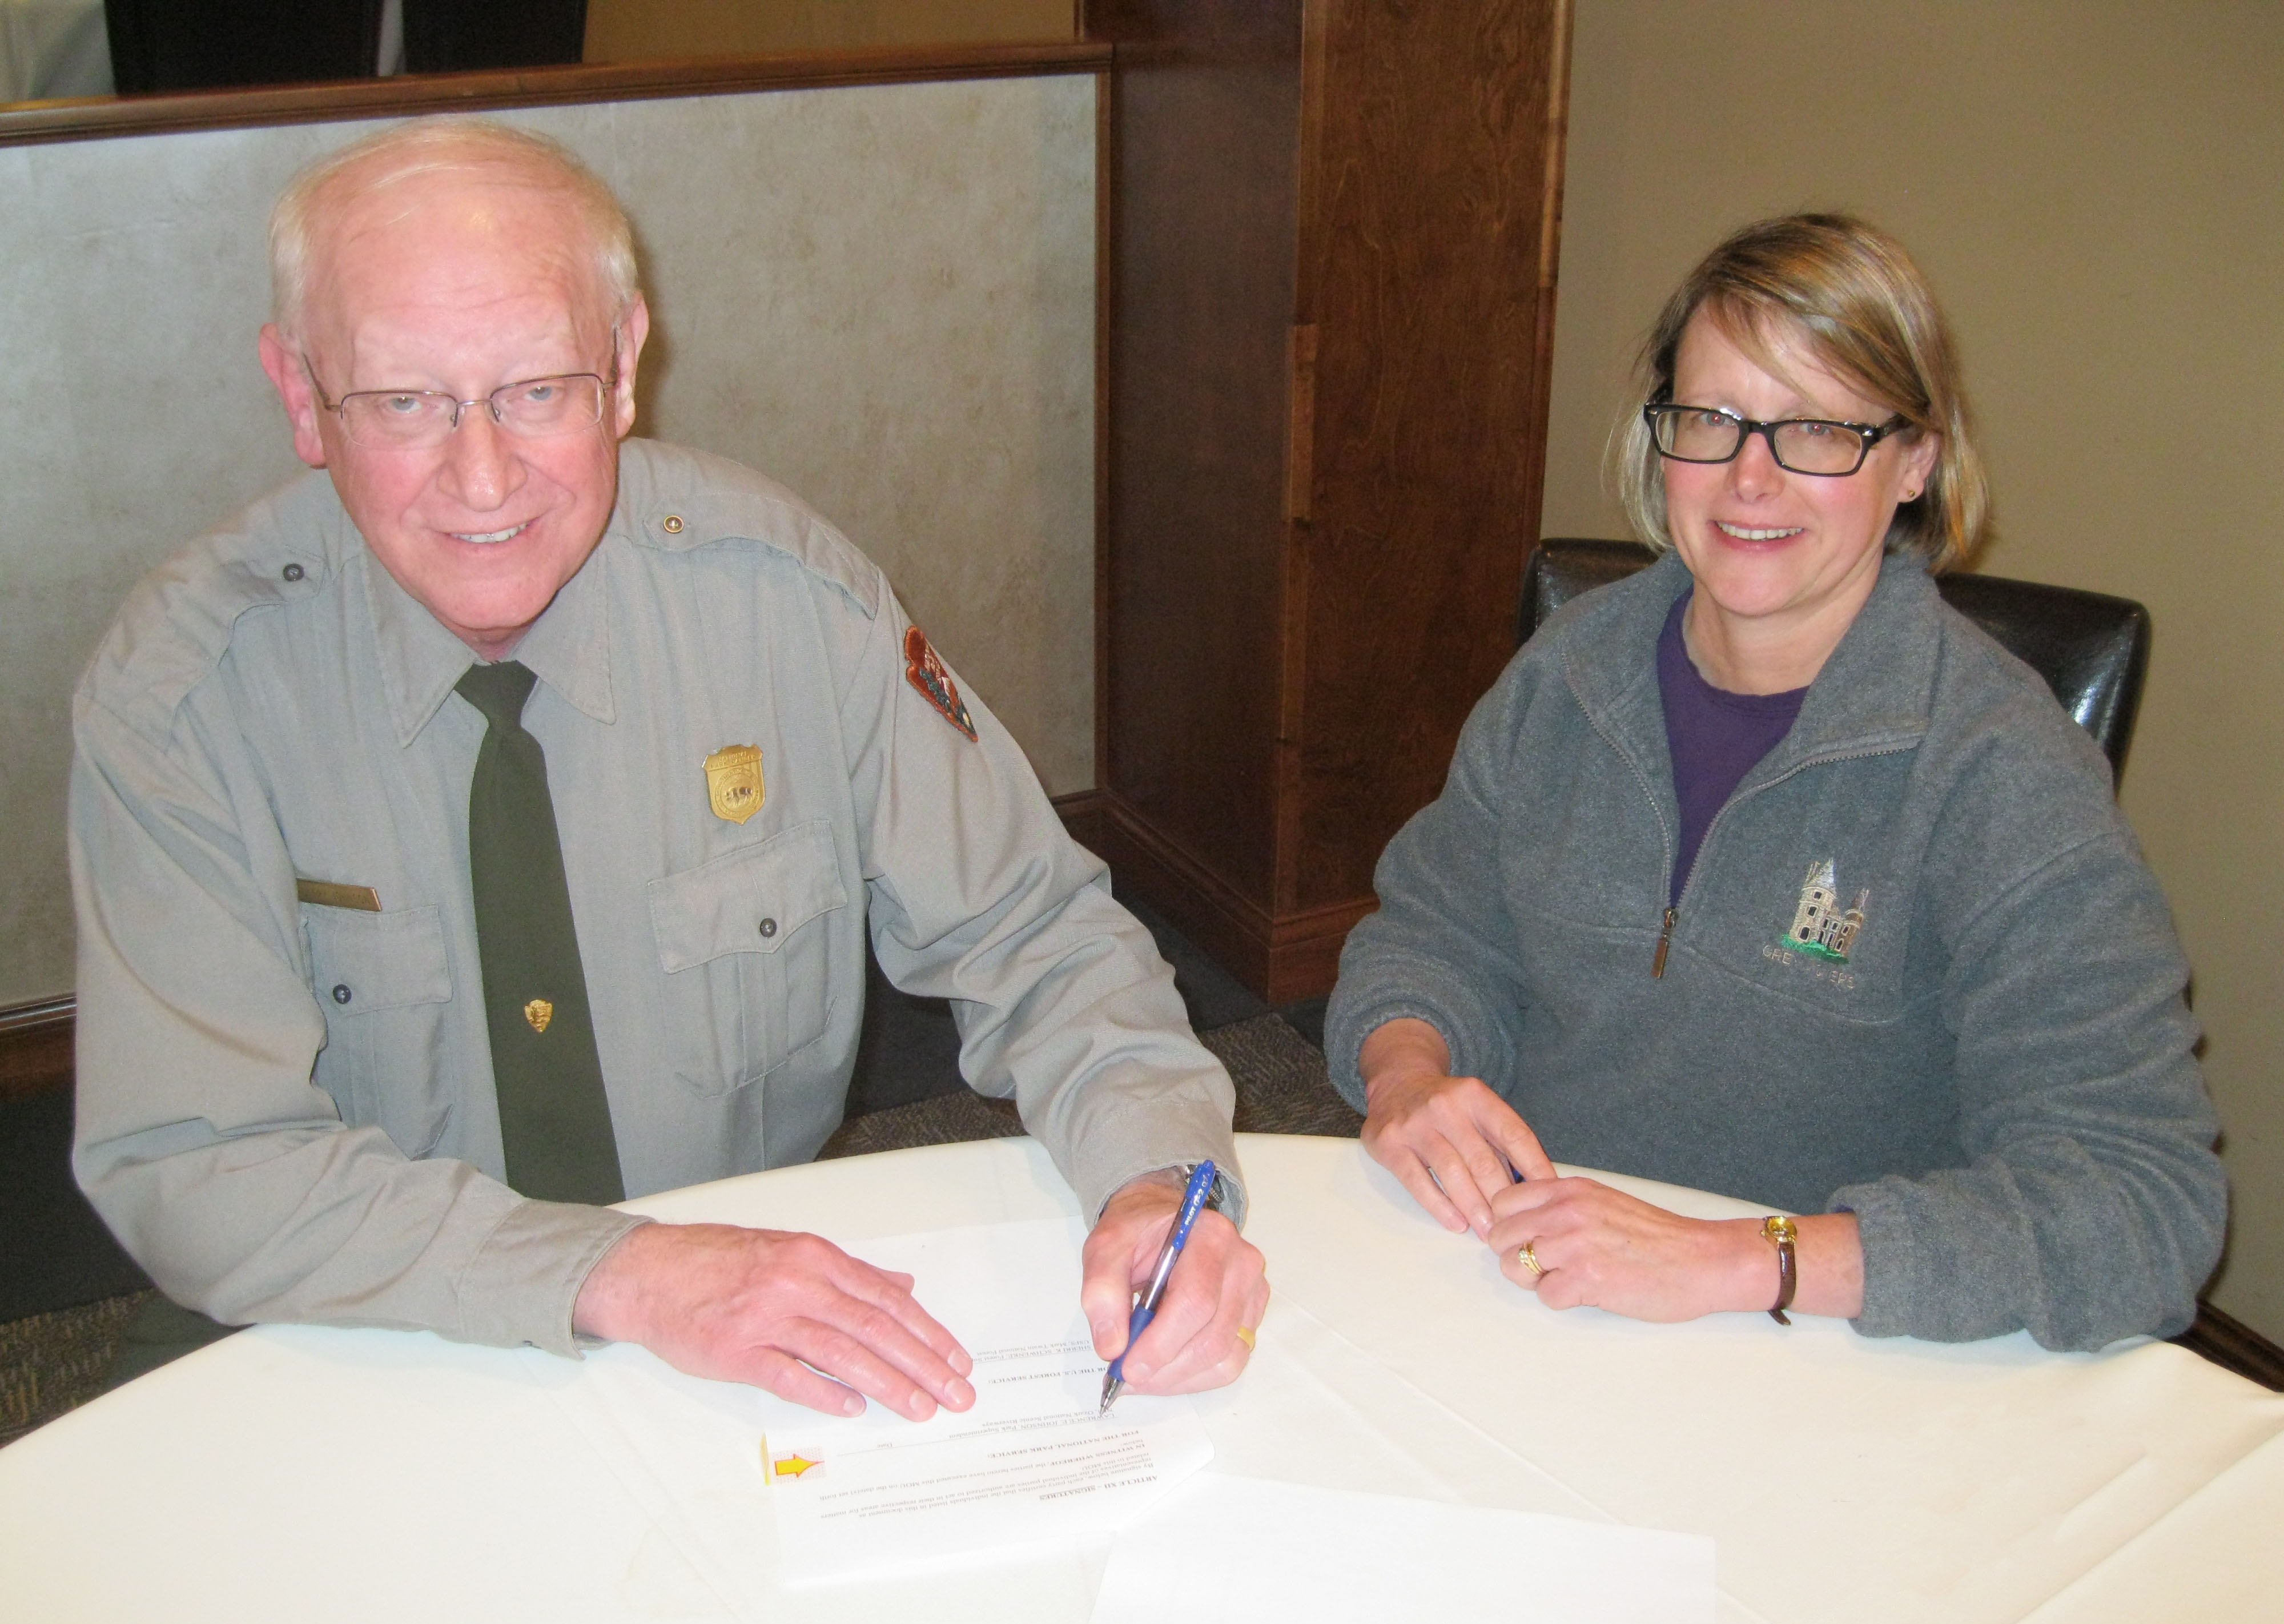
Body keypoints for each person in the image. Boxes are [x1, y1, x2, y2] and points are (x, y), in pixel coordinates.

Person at [70, 117, 1267, 1418]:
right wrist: (622, 1273)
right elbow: (198, 1167)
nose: (483, 477)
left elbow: (1037, 937)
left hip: (734, 1359)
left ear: (625, 365)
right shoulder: (184, 692)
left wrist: (1155, 1179)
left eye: (537, 389)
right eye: (403, 402)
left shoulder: (785, 601)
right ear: (301, 395)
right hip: (356, 1327)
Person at [1324, 213, 2224, 1351]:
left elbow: (2141, 1206)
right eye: (1709, 422)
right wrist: (1407, 1073)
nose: (1749, 478)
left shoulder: (2001, 773)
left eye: (1815, 431)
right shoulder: (1569, 675)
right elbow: (1438, 932)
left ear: (1913, 460)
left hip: (1821, 1342)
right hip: (1528, 1276)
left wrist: (1738, 1259)